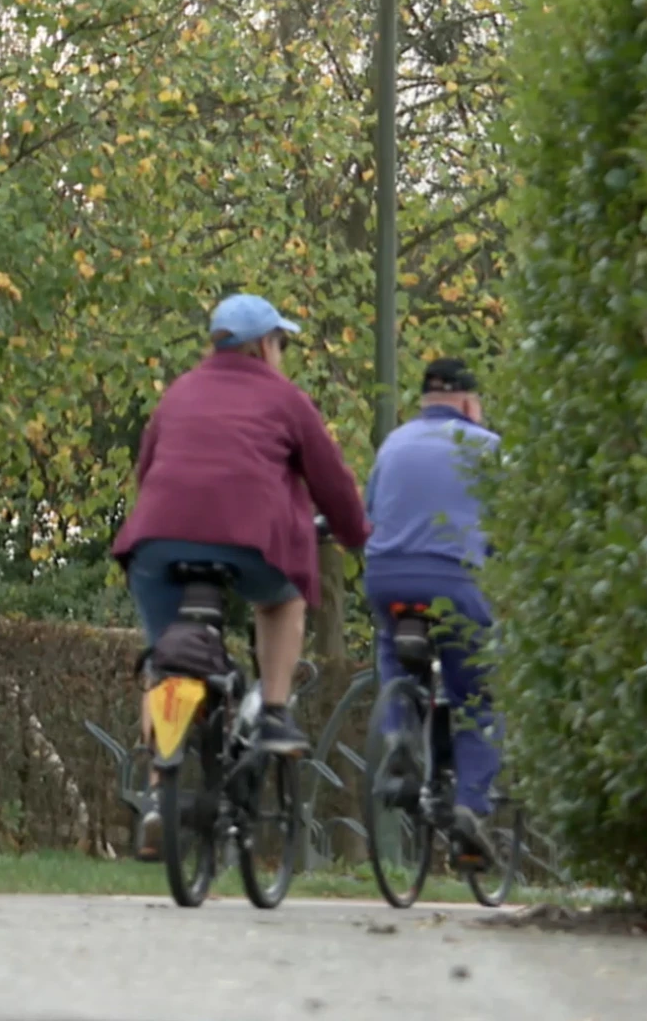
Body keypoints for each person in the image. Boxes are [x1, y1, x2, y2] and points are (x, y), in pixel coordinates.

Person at [112, 293, 370, 856]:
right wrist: (356, 537)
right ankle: (274, 711)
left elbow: (147, 468)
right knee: (282, 600)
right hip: (249, 544)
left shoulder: (178, 394)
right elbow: (331, 480)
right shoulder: (285, 398)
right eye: (282, 343)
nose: (284, 355)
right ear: (261, 346)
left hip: (157, 543)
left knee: (165, 661)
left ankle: (159, 795)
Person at [363, 357, 502, 868]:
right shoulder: (488, 449)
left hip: (388, 578)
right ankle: (471, 808)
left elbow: (369, 514)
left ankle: (399, 730)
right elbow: (512, 527)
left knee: (392, 647)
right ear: (469, 404)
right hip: (455, 582)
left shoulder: (393, 444)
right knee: (477, 696)